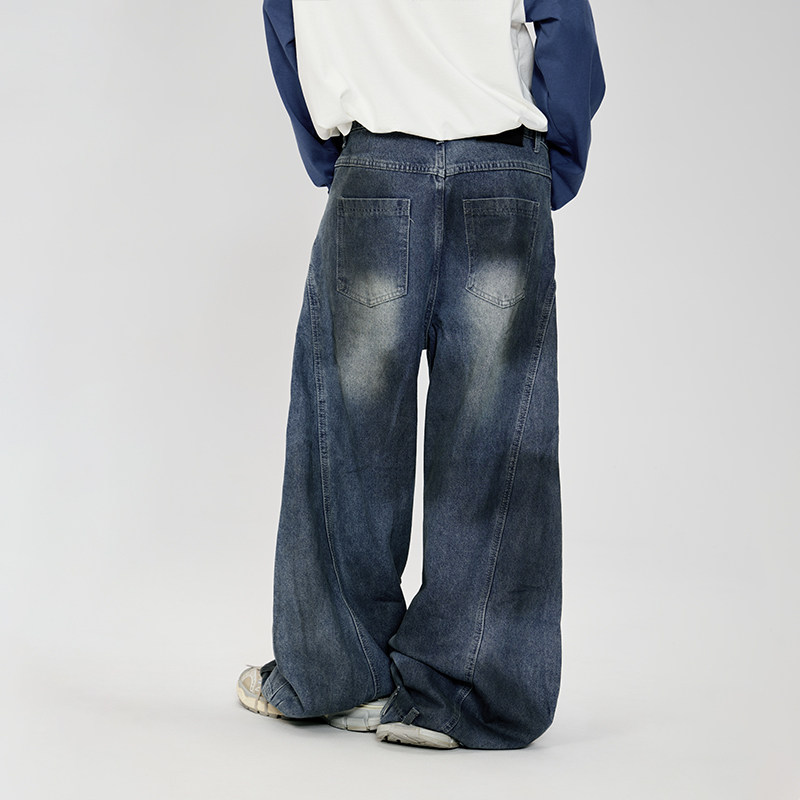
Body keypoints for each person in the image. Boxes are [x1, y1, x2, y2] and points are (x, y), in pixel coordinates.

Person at [237, 0, 605, 750]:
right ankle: (467, 691)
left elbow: (286, 22)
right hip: (502, 162)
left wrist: (332, 157)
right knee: (499, 439)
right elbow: (564, 23)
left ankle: (341, 675)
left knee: (346, 431)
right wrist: (551, 163)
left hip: (375, 163)